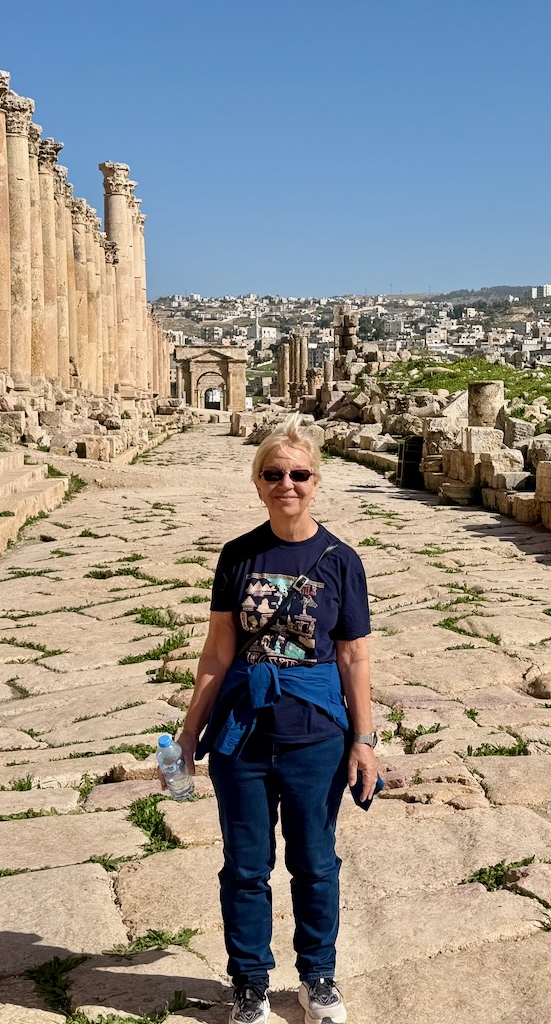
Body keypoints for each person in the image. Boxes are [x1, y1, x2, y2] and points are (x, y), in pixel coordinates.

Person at [168, 416, 377, 1024]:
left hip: (316, 735)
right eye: (274, 474)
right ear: (258, 482)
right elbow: (218, 650)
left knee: (315, 862)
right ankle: (250, 983)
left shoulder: (341, 561)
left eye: (299, 474)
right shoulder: (238, 556)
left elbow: (353, 656)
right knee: (245, 866)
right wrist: (190, 731)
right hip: (244, 735)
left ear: (316, 481)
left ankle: (318, 976)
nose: (287, 484)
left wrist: (364, 740)